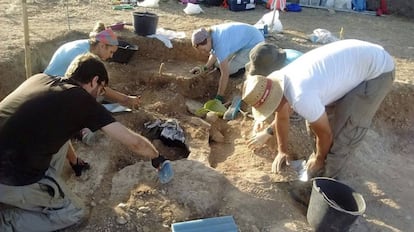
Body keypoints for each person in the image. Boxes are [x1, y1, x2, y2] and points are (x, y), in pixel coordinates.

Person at [0, 53, 169, 231]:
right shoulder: (82, 100)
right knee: (75, 213)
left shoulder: (40, 79)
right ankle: (6, 223)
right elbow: (135, 143)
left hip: (10, 152)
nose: (99, 95)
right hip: (9, 175)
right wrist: (157, 157)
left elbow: (60, 135)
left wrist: (75, 163)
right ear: (94, 81)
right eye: (102, 90)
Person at [242, 39, 395, 179]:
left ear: (276, 97)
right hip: (354, 64)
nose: (273, 110)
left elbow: (325, 134)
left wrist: (320, 160)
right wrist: (282, 151)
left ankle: (326, 187)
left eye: (271, 107)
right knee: (313, 125)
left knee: (343, 136)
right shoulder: (278, 80)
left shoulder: (301, 96)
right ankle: (317, 168)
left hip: (377, 71)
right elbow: (281, 117)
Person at [44, 22, 141, 176]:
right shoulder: (82, 56)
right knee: (90, 99)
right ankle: (81, 130)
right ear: (102, 45)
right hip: (53, 91)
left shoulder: (85, 47)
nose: (111, 56)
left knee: (94, 95)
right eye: (111, 51)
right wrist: (126, 99)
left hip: (50, 84)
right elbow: (98, 88)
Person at [244, 42, 303, 148]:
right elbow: (255, 85)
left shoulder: (289, 75)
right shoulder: (273, 57)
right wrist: (258, 118)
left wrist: (267, 132)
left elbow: (285, 112)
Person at [190, 22, 264, 103]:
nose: (203, 52)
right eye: (201, 50)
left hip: (255, 44)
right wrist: (204, 67)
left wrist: (219, 97)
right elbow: (215, 53)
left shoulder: (220, 43)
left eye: (203, 49)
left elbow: (225, 73)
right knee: (217, 64)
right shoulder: (211, 35)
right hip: (243, 40)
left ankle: (247, 65)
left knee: (231, 70)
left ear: (208, 40)